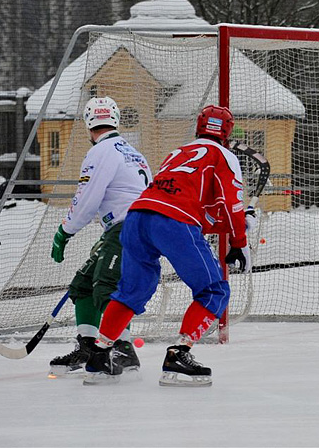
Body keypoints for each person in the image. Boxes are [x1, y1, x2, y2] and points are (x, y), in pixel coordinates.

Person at [83, 105, 255, 386]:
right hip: (173, 223)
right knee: (214, 289)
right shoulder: (224, 155)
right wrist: (239, 240)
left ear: (199, 127)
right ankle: (179, 354)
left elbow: (192, 210)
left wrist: (235, 224)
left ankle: (100, 357)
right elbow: (230, 205)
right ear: (226, 131)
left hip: (137, 218)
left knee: (131, 291)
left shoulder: (178, 152)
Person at [48, 97, 151, 376]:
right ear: (114, 119)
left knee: (107, 287)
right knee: (82, 284)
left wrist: (64, 232)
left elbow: (87, 199)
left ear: (88, 123)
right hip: (130, 230)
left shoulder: (101, 151)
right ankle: (88, 346)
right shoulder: (134, 152)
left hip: (126, 229)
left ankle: (121, 349)